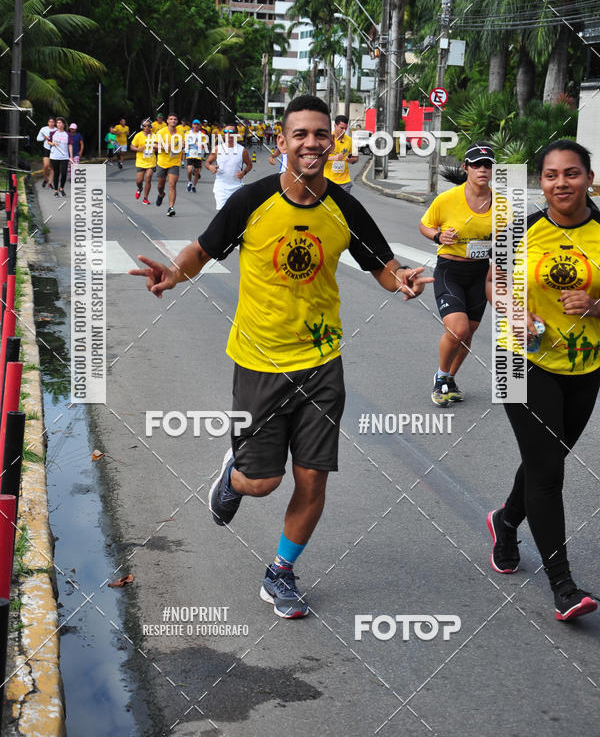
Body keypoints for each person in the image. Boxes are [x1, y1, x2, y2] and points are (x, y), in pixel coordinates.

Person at [130, 95, 433, 619]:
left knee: (312, 477)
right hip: (259, 361)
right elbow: (201, 251)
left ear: (332, 141)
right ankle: (233, 477)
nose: (312, 143)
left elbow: (382, 265)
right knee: (262, 482)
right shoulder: (252, 200)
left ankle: (281, 572)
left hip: (321, 363)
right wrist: (174, 274)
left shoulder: (345, 207)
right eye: (301, 134)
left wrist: (400, 279)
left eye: (321, 134)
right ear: (282, 143)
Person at [485, 140, 600, 622]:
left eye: (571, 174)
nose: (561, 184)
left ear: (589, 178)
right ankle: (563, 585)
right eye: (551, 175)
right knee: (548, 471)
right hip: (520, 360)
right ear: (540, 181)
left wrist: (597, 305)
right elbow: (493, 282)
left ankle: (506, 520)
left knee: (546, 458)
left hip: (586, 364)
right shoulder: (520, 227)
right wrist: (514, 309)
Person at [419, 142, 495, 406]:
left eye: (487, 165)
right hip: (450, 270)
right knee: (458, 328)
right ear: (466, 168)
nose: (482, 169)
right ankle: (440, 377)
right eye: (476, 165)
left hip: (480, 274)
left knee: (469, 332)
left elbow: (511, 239)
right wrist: (439, 235)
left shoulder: (501, 204)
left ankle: (450, 378)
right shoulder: (448, 199)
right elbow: (425, 225)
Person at [204, 124, 252, 211]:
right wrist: (210, 167)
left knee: (235, 213)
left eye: (231, 132)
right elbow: (207, 163)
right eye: (226, 132)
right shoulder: (217, 148)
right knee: (222, 213)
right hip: (221, 187)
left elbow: (249, 165)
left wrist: (244, 172)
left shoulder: (242, 150)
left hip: (236, 187)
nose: (228, 134)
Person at [155, 113, 183, 217]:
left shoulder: (180, 133)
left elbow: (184, 143)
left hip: (174, 162)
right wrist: (165, 146)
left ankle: (171, 207)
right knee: (160, 185)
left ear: (177, 121)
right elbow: (154, 144)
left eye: (175, 119)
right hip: (162, 162)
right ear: (167, 120)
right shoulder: (161, 132)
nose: (173, 121)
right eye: (171, 119)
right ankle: (161, 194)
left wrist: (181, 145)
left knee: (172, 184)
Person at [323, 114, 358, 192]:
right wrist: (333, 158)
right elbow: (318, 158)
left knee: (344, 204)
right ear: (335, 125)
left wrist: (350, 160)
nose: (344, 131)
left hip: (345, 182)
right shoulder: (327, 138)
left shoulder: (350, 140)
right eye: (341, 128)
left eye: (346, 128)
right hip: (328, 180)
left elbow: (356, 158)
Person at [130, 119, 156, 204]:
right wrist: (138, 149)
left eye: (148, 125)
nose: (147, 127)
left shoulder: (154, 136)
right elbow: (132, 146)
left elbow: (159, 146)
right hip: (140, 162)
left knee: (148, 178)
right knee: (139, 181)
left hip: (151, 161)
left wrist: (157, 147)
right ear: (142, 127)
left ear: (151, 127)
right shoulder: (138, 136)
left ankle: (145, 198)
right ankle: (140, 188)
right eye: (145, 126)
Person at [47, 117, 69, 196]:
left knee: (64, 173)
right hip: (54, 156)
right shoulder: (53, 133)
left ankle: (61, 188)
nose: (59, 124)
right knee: (56, 173)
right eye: (57, 123)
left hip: (65, 156)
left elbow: (70, 145)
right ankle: (56, 190)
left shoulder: (67, 134)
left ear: (63, 124)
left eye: (60, 123)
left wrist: (71, 156)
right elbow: (49, 142)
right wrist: (53, 143)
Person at [185, 119, 205, 193]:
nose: (196, 126)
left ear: (199, 126)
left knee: (196, 172)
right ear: (192, 125)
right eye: (194, 124)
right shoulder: (188, 133)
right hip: (190, 154)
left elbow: (205, 144)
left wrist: (201, 144)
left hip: (198, 155)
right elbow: (184, 142)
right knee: (189, 170)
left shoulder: (202, 134)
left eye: (197, 124)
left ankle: (194, 186)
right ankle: (189, 182)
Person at [36, 117, 56, 187]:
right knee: (45, 166)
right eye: (50, 122)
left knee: (52, 167)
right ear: (48, 122)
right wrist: (44, 138)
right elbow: (38, 139)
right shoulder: (43, 129)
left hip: (54, 149)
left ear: (54, 123)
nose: (51, 123)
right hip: (46, 148)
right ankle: (45, 179)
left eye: (53, 122)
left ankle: (50, 183)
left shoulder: (57, 130)